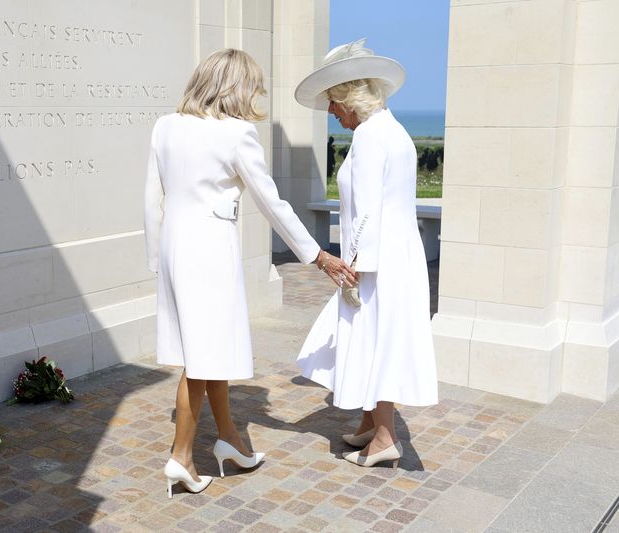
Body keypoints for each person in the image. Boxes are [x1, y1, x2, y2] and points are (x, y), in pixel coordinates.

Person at [144, 48, 355, 497]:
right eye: (253, 86)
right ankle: (181, 457)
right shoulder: (237, 133)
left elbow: (152, 200)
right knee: (200, 360)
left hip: (173, 249)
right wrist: (317, 255)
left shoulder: (165, 126)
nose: (256, 94)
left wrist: (155, 261)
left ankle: (231, 441)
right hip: (210, 252)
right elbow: (271, 203)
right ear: (237, 87)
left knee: (207, 348)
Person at [294, 39, 438, 468]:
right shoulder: (390, 129)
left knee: (379, 341)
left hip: (377, 261)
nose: (331, 112)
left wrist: (352, 266)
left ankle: (386, 438)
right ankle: (370, 423)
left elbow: (368, 211)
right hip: (395, 255)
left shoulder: (373, 136)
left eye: (333, 104)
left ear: (348, 97)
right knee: (377, 338)